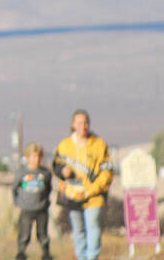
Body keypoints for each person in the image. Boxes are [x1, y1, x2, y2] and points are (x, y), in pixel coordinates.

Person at [52, 109, 113, 260]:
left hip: (94, 195)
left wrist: (93, 189)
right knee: (78, 229)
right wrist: (63, 171)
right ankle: (81, 256)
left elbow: (107, 171)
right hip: (73, 194)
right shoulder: (65, 145)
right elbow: (56, 165)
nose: (83, 126)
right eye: (79, 123)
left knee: (93, 227)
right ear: (73, 125)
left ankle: (92, 257)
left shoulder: (99, 144)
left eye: (86, 123)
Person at [13, 143, 52, 260]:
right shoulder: (22, 173)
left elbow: (48, 188)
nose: (36, 159)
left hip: (41, 208)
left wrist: (45, 202)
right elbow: (14, 189)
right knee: (24, 234)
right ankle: (21, 253)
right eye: (34, 156)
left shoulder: (45, 173)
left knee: (43, 234)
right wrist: (17, 203)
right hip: (26, 208)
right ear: (28, 157)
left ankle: (46, 254)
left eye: (39, 156)